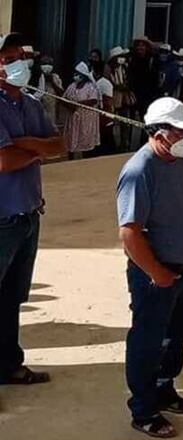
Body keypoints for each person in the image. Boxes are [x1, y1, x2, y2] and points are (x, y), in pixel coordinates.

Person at [115, 98, 183, 438]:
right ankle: (143, 408)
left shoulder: (180, 160)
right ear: (159, 133)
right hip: (158, 274)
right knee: (148, 339)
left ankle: (164, 388)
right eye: (181, 132)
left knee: (178, 334)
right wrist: (157, 273)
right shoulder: (140, 171)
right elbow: (129, 233)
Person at [0, 33, 64, 388]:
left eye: (18, 56)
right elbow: (4, 160)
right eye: (7, 59)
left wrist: (30, 146)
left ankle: (9, 364)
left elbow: (60, 144)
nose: (17, 63)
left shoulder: (29, 103)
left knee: (11, 299)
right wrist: (38, 149)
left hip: (27, 214)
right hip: (2, 217)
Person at [62, 62, 101, 159]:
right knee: (71, 141)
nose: (76, 76)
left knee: (85, 142)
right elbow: (64, 98)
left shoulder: (90, 87)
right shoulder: (72, 86)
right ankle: (71, 161)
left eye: (78, 73)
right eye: (75, 73)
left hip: (86, 120)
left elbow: (93, 100)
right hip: (73, 119)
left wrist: (77, 104)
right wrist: (69, 105)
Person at [33, 56, 64, 126]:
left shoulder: (56, 77)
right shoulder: (36, 76)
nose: (47, 66)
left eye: (49, 64)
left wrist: (52, 82)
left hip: (51, 110)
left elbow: (61, 93)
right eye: (44, 63)